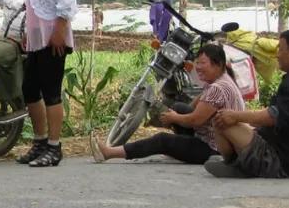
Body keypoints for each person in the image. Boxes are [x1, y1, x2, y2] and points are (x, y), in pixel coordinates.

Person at [205, 29, 289, 179]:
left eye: (281, 50)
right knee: (232, 120)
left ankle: (238, 165)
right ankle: (240, 160)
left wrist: (236, 116)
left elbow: (273, 117)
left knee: (221, 119)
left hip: (279, 161)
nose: (277, 55)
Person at [90, 44, 244, 164]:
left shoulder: (218, 88)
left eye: (203, 63)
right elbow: (193, 107)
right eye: (197, 63)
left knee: (162, 140)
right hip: (219, 139)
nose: (198, 68)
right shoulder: (222, 79)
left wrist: (173, 118)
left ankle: (109, 153)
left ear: (218, 65)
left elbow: (195, 120)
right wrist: (176, 113)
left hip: (216, 149)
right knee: (178, 107)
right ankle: (179, 148)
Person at [11, 0, 78, 168]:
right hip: (38, 33)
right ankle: (39, 141)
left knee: (51, 91)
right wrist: (30, 30)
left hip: (53, 33)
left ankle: (54, 145)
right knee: (30, 88)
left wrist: (61, 28)